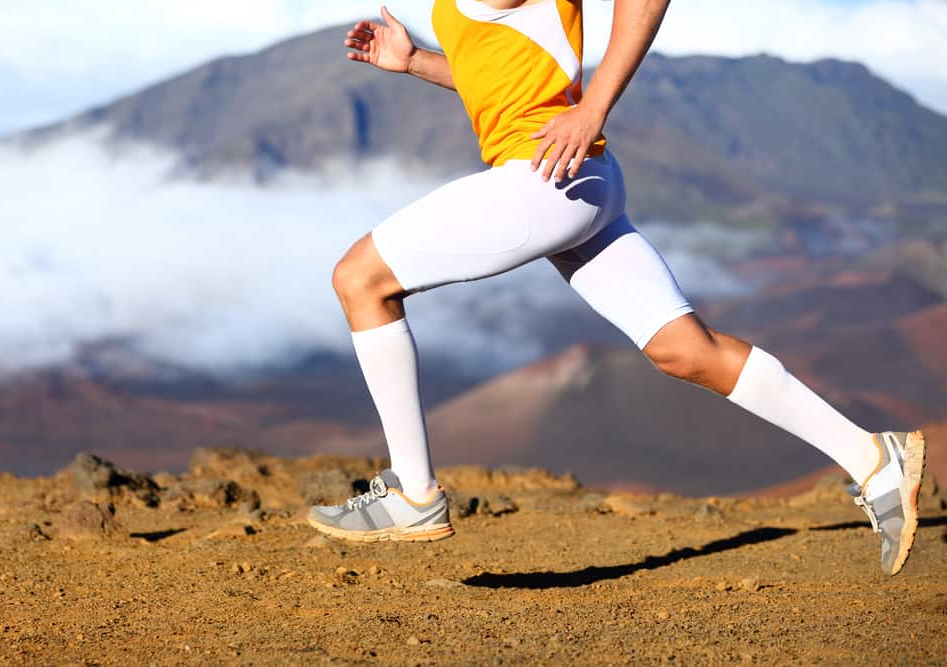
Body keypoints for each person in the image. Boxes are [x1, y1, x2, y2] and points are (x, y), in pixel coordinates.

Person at [306, 0, 927, 576]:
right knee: (684, 350)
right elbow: (508, 75)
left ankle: (415, 494)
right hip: (578, 177)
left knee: (360, 279)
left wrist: (594, 107)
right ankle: (874, 458)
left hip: (542, 178)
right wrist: (414, 61)